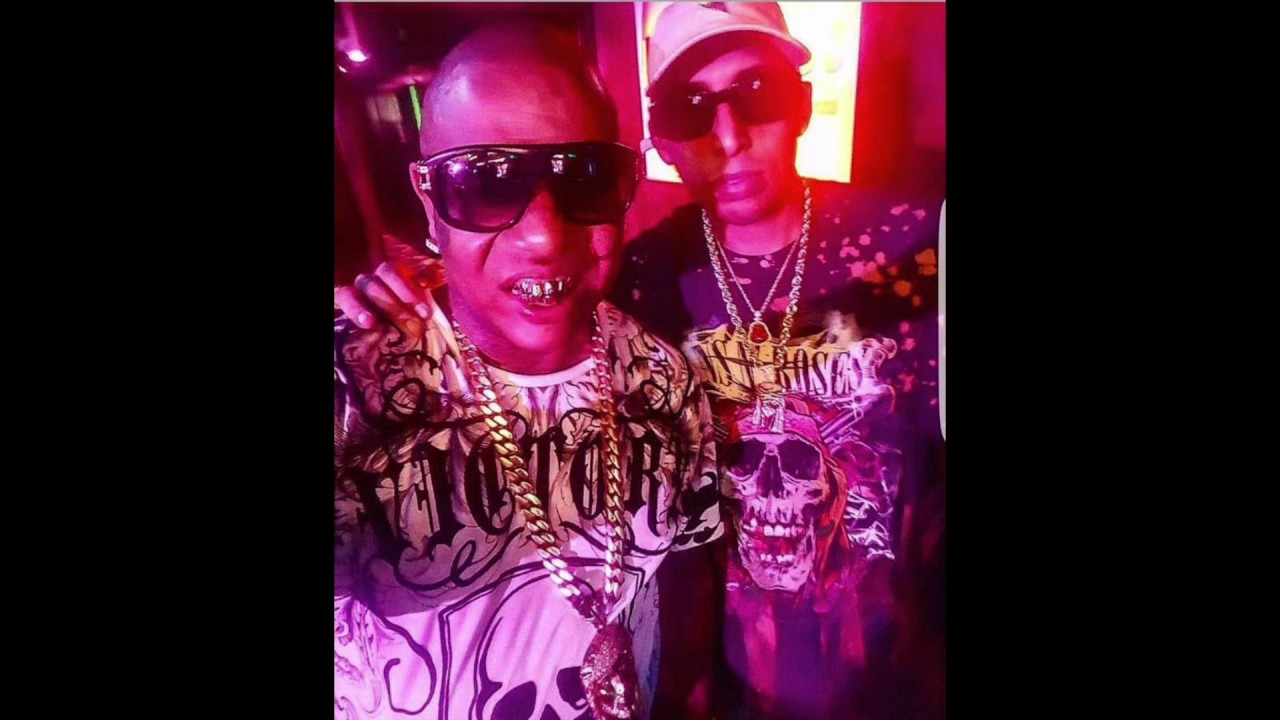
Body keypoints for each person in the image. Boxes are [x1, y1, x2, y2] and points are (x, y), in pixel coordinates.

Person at [337, 5, 946, 719]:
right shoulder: (640, 278)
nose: (728, 136)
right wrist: (401, 304)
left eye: (759, 94)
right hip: (732, 689)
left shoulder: (922, 248)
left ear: (805, 103)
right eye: (489, 181)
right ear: (662, 140)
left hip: (894, 680)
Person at [333, 22, 720, 720]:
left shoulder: (663, 377)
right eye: (485, 183)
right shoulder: (351, 393)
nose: (544, 235)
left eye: (587, 177)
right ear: (428, 197)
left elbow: (686, 568)